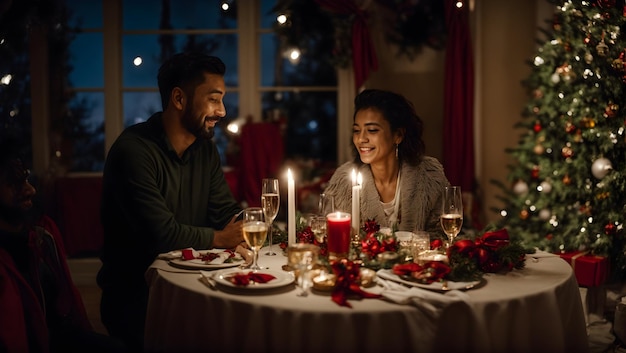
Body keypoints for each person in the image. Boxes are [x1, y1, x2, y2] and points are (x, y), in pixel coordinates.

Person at [97, 52, 244, 351]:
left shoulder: (204, 149)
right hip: (140, 301)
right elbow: (161, 235)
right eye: (214, 99)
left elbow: (225, 211)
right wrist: (221, 237)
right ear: (179, 99)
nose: (223, 111)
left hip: (198, 287)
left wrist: (248, 224)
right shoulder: (133, 152)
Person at [0, 139, 128, 353]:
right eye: (14, 183)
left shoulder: (39, 236)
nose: (30, 190)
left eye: (26, 179)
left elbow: (66, 309)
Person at [323, 89, 449, 238]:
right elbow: (330, 238)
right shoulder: (343, 182)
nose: (361, 139)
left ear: (398, 135)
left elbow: (444, 237)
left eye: (372, 130)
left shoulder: (429, 176)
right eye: (356, 131)